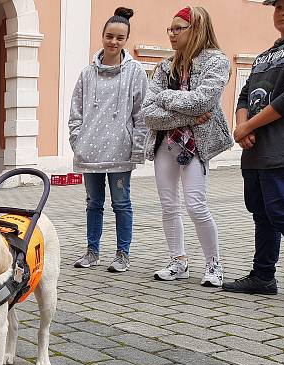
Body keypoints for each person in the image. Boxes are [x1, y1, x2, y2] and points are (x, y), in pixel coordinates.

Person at [141, 6, 232, 287]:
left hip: (196, 145)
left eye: (178, 28)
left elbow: (204, 102)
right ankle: (178, 261)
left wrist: (165, 98)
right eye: (170, 29)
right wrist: (184, 109)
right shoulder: (164, 66)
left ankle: (213, 264)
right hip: (165, 143)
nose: (172, 34)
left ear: (197, 29)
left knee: (196, 205)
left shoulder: (216, 61)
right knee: (169, 206)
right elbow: (147, 112)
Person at [223, 0, 284, 304]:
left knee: (282, 211)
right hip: (256, 152)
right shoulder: (265, 55)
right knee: (262, 214)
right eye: (277, 6)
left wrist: (248, 127)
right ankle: (262, 276)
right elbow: (244, 95)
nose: (282, 11)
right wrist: (242, 127)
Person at [69, 7, 148, 273]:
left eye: (120, 38)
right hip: (89, 152)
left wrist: (137, 148)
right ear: (102, 36)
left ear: (126, 40)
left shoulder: (135, 72)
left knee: (121, 204)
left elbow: (142, 112)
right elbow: (75, 112)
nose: (113, 42)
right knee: (93, 203)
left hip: (120, 152)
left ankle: (122, 254)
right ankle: (92, 252)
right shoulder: (86, 73)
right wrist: (77, 141)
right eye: (109, 36)